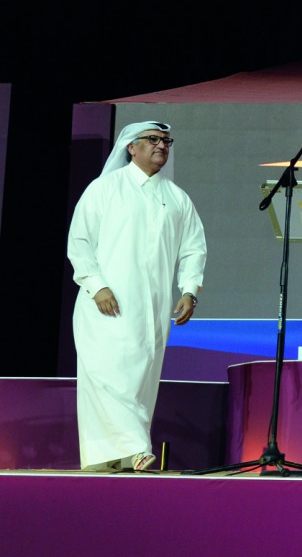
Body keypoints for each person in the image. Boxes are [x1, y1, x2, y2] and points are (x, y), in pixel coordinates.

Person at [67, 121, 207, 472]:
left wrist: (189, 288)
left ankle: (116, 457)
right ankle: (138, 447)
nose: (162, 145)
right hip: (105, 305)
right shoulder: (104, 189)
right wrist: (96, 285)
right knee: (107, 376)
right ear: (131, 147)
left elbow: (193, 249)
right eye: (153, 140)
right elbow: (80, 242)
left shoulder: (176, 198)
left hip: (153, 310)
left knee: (139, 380)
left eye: (166, 141)